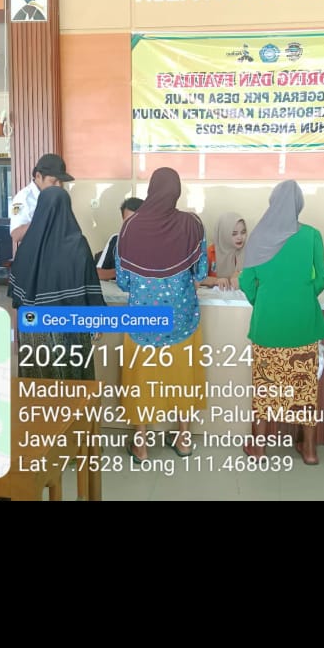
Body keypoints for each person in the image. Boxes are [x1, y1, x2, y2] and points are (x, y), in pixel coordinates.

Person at [115, 167, 208, 462]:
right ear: (176, 192)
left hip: (142, 321)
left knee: (141, 380)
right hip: (182, 319)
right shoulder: (192, 224)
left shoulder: (129, 227)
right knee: (182, 376)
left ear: (150, 190)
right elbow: (201, 273)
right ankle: (183, 440)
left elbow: (123, 281)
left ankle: (141, 445)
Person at [238, 180, 324, 465]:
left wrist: (264, 302)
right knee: (306, 390)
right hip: (304, 324)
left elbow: (246, 281)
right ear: (299, 204)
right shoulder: (312, 235)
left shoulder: (258, 236)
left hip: (268, 325)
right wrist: (302, 297)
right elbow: (321, 279)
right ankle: (310, 450)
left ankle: (259, 448)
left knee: (264, 388)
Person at [9, 185, 105, 378]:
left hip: (34, 327)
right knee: (73, 378)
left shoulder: (26, 246)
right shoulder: (77, 243)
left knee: (38, 379)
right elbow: (90, 285)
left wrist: (16, 334)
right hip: (71, 325)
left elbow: (17, 297)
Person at [9, 153, 74, 253]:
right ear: (38, 176)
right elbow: (16, 235)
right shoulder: (23, 198)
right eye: (53, 181)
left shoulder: (59, 197)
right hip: (36, 256)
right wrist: (43, 219)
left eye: (61, 181)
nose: (59, 186)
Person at [95, 197, 144, 280]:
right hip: (117, 287)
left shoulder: (158, 242)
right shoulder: (115, 240)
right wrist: (121, 271)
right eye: (128, 220)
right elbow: (98, 274)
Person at [199, 212, 248, 290]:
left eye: (243, 232)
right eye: (234, 234)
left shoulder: (248, 252)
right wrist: (215, 281)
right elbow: (198, 278)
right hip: (215, 296)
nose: (240, 237)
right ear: (223, 234)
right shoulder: (211, 252)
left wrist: (241, 274)